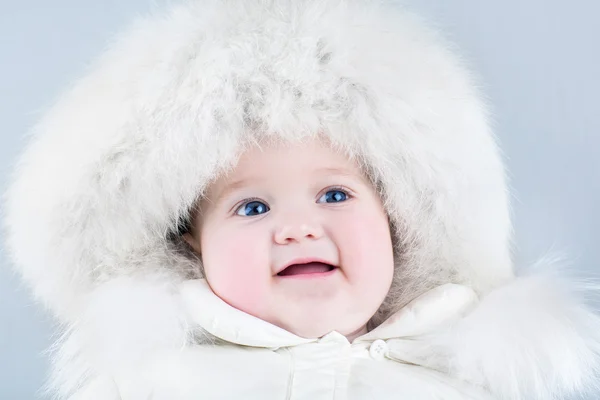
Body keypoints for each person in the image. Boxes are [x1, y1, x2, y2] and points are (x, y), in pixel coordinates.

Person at [4, 1, 599, 399]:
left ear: (400, 222)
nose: (298, 229)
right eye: (253, 208)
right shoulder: (144, 382)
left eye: (335, 194)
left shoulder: (464, 384)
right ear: (191, 243)